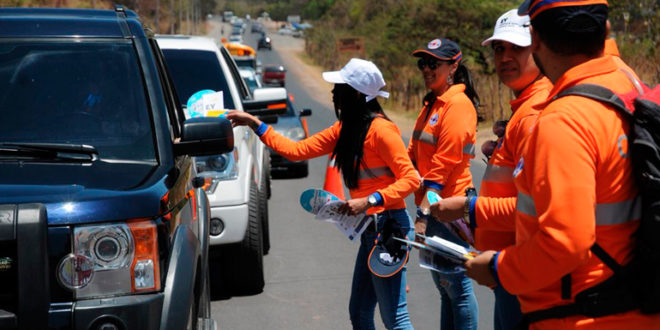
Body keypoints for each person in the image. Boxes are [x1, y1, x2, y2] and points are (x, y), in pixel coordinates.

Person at [459, 1, 660, 328]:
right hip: (633, 301)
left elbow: (567, 243)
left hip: (581, 313)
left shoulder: (564, 119)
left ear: (535, 38)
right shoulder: (626, 81)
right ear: (606, 31)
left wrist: (498, 267)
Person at [226, 58, 419, 330]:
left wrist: (369, 200)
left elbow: (412, 179)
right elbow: (296, 151)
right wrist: (254, 123)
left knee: (395, 319)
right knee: (360, 313)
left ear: (355, 94)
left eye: (338, 87)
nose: (333, 93)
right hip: (371, 230)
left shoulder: (382, 131)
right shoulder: (345, 130)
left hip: (390, 228)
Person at [429, 9, 553, 330]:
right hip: (511, 267)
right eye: (499, 49)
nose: (505, 57)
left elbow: (540, 209)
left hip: (524, 271)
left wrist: (470, 209)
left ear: (538, 48)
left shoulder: (533, 114)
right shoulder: (523, 109)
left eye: (517, 48)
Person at [409, 38, 479, 330]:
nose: (426, 69)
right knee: (445, 289)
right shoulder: (432, 104)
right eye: (422, 63)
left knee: (458, 289)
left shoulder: (457, 106)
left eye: (433, 63)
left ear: (453, 66)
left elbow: (443, 166)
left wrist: (423, 214)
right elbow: (413, 156)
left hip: (450, 210)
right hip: (435, 209)